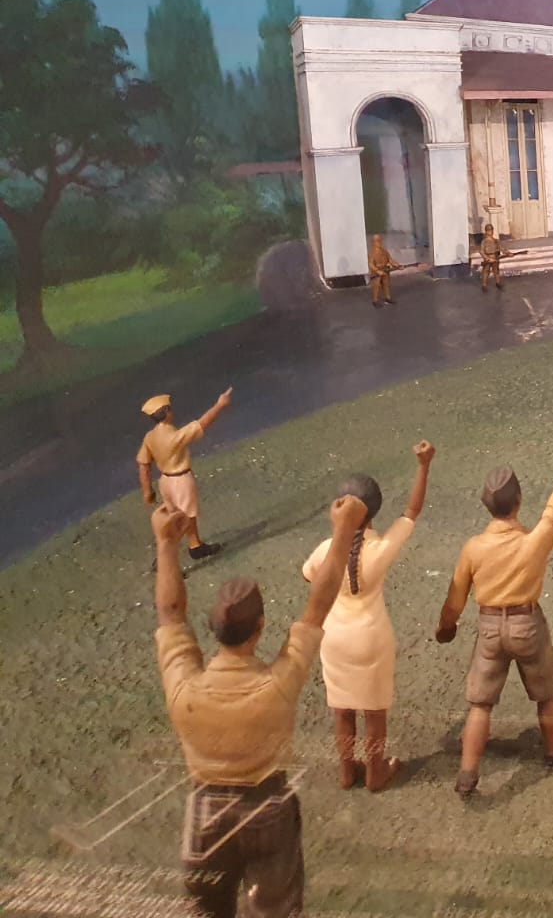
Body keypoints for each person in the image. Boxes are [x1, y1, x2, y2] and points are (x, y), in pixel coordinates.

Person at [153, 494, 363, 917]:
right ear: (261, 626)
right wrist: (343, 532)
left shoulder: (184, 688)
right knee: (276, 909)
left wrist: (164, 544)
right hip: (268, 807)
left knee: (206, 910)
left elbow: (171, 614)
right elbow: (318, 606)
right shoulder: (276, 685)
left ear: (212, 629)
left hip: (207, 808)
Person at [435, 446, 553, 797]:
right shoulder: (533, 542)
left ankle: (468, 770)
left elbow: (455, 596)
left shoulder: (473, 548)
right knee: (546, 693)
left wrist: (446, 626)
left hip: (489, 628)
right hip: (527, 624)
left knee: (480, 703)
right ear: (518, 501)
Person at [301, 441, 434, 792]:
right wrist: (423, 466)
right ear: (373, 512)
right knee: (375, 713)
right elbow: (412, 511)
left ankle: (347, 771)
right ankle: (376, 771)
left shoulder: (325, 550)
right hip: (372, 637)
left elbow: (309, 576)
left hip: (334, 638)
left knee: (342, 711)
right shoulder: (379, 549)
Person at [138, 389, 230, 561]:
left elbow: (144, 465)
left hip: (165, 481)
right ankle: (164, 556)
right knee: (184, 519)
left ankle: (195, 545)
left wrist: (147, 490)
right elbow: (202, 424)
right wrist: (219, 405)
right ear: (167, 412)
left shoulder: (150, 437)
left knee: (184, 515)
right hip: (180, 481)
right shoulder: (174, 436)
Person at [368, 234, 399, 307]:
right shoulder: (371, 253)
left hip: (385, 270)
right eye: (376, 240)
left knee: (386, 285)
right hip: (376, 272)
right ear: (373, 242)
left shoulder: (384, 251)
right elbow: (370, 264)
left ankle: (387, 298)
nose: (379, 242)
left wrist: (396, 265)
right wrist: (377, 271)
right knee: (376, 286)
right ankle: (375, 300)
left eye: (380, 240)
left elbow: (390, 260)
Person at [479, 224, 503, 292]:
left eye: (491, 230)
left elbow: (501, 248)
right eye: (488, 230)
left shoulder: (496, 241)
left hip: (495, 257)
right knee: (486, 272)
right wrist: (487, 258)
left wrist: (508, 253)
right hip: (488, 258)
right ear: (486, 231)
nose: (490, 232)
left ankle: (498, 283)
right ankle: (484, 285)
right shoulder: (484, 241)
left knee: (496, 271)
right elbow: (481, 251)